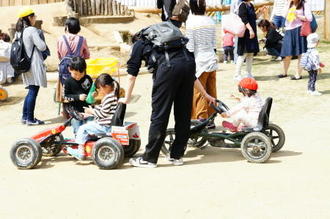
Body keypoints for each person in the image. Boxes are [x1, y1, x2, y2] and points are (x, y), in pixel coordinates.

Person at [121, 19, 216, 168]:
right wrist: (205, 94)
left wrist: (126, 98)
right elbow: (190, 75)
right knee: (183, 114)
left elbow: (132, 75)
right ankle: (177, 156)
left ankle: (149, 158)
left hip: (168, 70)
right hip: (188, 65)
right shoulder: (171, 42)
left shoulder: (139, 44)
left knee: (160, 114)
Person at [67, 73, 120, 160]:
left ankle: (80, 152)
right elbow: (104, 109)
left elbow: (102, 114)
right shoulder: (113, 95)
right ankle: (88, 142)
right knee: (89, 124)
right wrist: (92, 110)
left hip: (105, 126)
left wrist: (92, 111)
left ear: (105, 86)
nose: (99, 91)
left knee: (82, 128)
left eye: (99, 89)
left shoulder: (108, 98)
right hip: (108, 124)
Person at [186, 0, 218, 129]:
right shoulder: (210, 21)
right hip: (212, 59)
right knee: (212, 90)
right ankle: (211, 119)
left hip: (199, 61)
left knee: (199, 92)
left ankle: (201, 118)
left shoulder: (191, 23)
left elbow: (190, 46)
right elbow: (214, 42)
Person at [15, 8, 48, 125]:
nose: (35, 19)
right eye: (34, 17)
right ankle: (30, 118)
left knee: (30, 90)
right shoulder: (32, 30)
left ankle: (25, 117)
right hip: (33, 63)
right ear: (30, 18)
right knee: (33, 90)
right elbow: (42, 46)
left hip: (25, 64)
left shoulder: (19, 31)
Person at [279, 0, 312, 80]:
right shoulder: (289, 4)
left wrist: (297, 16)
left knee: (300, 53)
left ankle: (298, 74)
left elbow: (309, 18)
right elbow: (283, 15)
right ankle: (284, 72)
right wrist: (288, 4)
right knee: (287, 52)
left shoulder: (304, 4)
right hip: (289, 29)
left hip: (299, 29)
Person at [235, 0, 264, 80]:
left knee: (250, 54)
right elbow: (244, 19)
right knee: (243, 54)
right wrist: (250, 29)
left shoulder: (250, 5)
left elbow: (254, 17)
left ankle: (248, 73)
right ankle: (237, 74)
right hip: (245, 33)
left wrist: (260, 12)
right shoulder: (242, 5)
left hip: (252, 32)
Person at [63, 57, 93, 135]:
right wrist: (78, 97)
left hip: (87, 109)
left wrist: (93, 94)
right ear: (70, 69)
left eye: (81, 74)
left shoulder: (87, 79)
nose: (78, 76)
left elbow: (91, 91)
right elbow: (65, 96)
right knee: (78, 130)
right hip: (74, 111)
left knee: (91, 129)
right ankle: (79, 144)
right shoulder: (68, 82)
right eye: (75, 74)